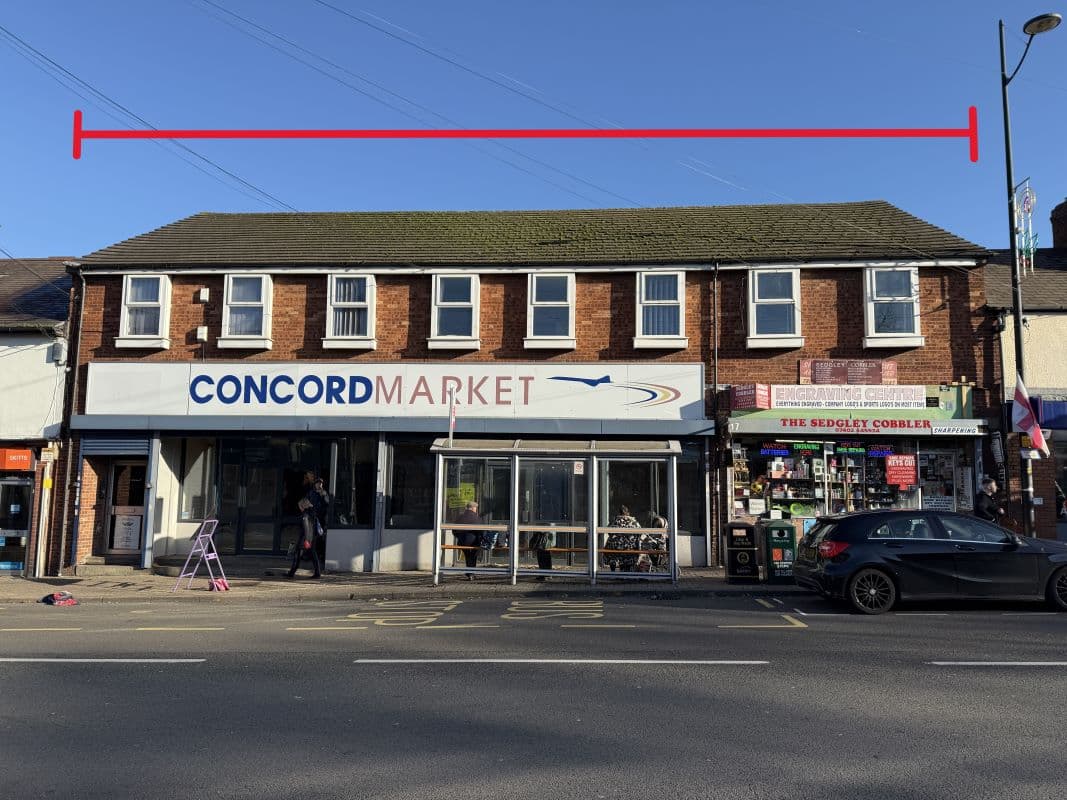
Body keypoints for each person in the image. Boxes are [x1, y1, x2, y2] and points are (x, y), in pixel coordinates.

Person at [288, 471, 326, 579]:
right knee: (308, 550)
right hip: (309, 524)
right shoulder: (313, 493)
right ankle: (315, 572)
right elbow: (303, 504)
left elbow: (313, 507)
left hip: (309, 524)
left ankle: (293, 572)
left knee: (303, 549)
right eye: (318, 483)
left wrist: (307, 538)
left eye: (321, 483)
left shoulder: (320, 494)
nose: (320, 485)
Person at [605, 505, 641, 572]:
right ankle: (624, 568)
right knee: (630, 551)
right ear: (628, 512)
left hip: (616, 548)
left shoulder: (615, 520)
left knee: (609, 546)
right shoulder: (634, 522)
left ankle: (612, 571)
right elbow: (639, 534)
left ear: (619, 512)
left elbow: (609, 532)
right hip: (630, 547)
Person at [454, 500, 482, 580]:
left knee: (468, 556)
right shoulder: (476, 518)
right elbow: (481, 531)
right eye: (476, 508)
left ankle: (470, 573)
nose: (476, 509)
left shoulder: (460, 517)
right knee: (473, 555)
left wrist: (459, 537)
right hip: (474, 542)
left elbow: (454, 530)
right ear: (473, 508)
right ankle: (471, 573)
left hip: (462, 542)